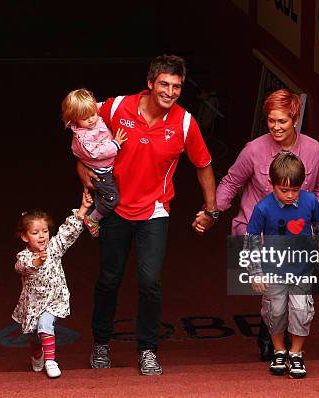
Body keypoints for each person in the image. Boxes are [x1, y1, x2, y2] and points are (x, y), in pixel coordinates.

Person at [76, 54, 217, 375]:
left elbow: (204, 166)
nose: (170, 92)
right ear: (150, 83)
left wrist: (211, 210)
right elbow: (79, 122)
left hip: (155, 211)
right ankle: (100, 343)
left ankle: (148, 349)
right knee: (109, 279)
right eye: (164, 84)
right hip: (114, 208)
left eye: (177, 87)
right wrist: (81, 164)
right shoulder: (115, 107)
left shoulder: (184, 123)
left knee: (149, 282)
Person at [196, 88, 319, 361]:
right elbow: (232, 181)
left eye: (282, 121)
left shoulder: (314, 150)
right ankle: (273, 339)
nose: (276, 127)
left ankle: (287, 344)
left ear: (295, 119)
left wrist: (315, 218)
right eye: (271, 120)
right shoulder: (254, 150)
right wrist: (212, 212)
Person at [245, 152, 319, 379]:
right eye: (284, 190)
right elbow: (252, 240)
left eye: (295, 189)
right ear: (271, 184)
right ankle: (279, 350)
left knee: (301, 311)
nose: (290, 195)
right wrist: (255, 272)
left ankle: (296, 353)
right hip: (273, 270)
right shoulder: (262, 208)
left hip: (302, 270)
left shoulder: (310, 201)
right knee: (275, 312)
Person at [11, 192, 93, 378]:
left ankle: (50, 361)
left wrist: (83, 208)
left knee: (45, 324)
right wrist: (37, 261)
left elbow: (67, 232)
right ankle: (37, 355)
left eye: (45, 231)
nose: (41, 236)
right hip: (32, 304)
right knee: (33, 335)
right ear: (25, 237)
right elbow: (21, 267)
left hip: (54, 299)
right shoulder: (24, 256)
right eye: (35, 232)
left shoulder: (54, 248)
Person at [62, 88, 128, 237]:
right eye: (85, 118)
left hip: (108, 166)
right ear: (74, 119)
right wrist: (116, 144)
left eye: (92, 114)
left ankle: (96, 208)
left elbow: (104, 106)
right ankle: (92, 218)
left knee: (104, 196)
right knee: (112, 199)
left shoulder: (92, 112)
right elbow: (97, 153)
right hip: (101, 172)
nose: (91, 119)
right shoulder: (83, 137)